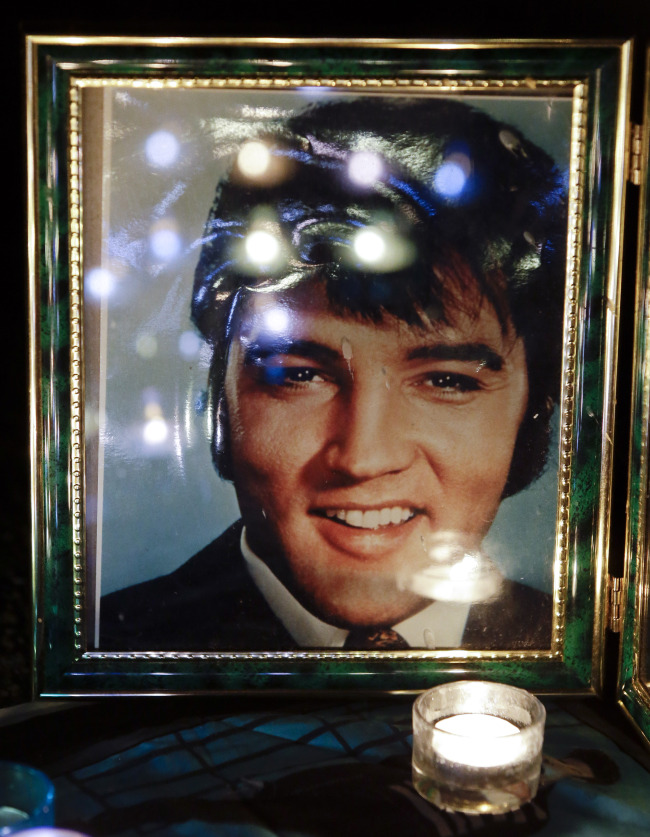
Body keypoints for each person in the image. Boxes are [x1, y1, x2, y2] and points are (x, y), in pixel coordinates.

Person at [101, 97, 566, 651]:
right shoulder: (105, 657)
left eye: (447, 381)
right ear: (221, 404)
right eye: (297, 375)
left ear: (532, 413)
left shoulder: (590, 668)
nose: (363, 458)